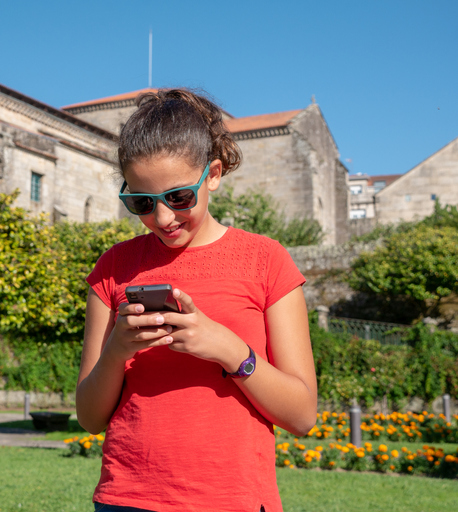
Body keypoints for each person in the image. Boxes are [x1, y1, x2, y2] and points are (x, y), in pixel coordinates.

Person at [76, 88, 317, 512]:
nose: (163, 218)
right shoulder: (114, 267)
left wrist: (228, 350)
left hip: (235, 501)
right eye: (142, 203)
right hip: (127, 501)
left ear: (215, 174)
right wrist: (115, 353)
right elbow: (90, 418)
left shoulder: (267, 261)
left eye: (179, 197)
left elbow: (301, 416)